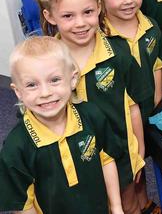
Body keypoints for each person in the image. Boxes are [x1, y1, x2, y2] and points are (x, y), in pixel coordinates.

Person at [33, 0, 146, 214]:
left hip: (120, 156)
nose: (81, 23)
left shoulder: (118, 54)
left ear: (98, 7)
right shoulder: (46, 62)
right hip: (77, 163)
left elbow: (133, 107)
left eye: (87, 12)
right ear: (50, 16)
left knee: (129, 206)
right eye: (68, 16)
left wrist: (139, 154)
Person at [0, 36, 124, 214]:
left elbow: (107, 160)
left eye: (55, 80)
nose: (45, 93)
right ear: (18, 91)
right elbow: (23, 205)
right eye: (31, 85)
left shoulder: (92, 115)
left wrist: (116, 206)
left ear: (73, 79)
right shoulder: (16, 148)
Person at [90, 0, 162, 214]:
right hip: (116, 125)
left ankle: (144, 204)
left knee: (141, 168)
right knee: (124, 179)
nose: (128, 1)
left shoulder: (151, 27)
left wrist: (156, 104)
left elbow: (157, 66)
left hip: (146, 115)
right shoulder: (97, 39)